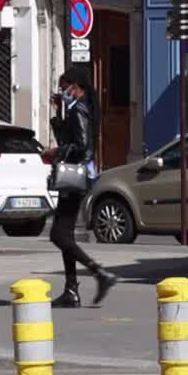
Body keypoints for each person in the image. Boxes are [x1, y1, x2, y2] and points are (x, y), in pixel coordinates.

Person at [44, 67, 118, 308]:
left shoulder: (80, 108)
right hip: (76, 178)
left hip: (73, 178)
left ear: (75, 86)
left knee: (58, 235)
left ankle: (99, 273)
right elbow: (70, 137)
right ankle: (71, 290)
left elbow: (82, 146)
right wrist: (58, 114)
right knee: (63, 234)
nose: (62, 91)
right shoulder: (78, 108)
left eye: (64, 87)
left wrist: (55, 152)